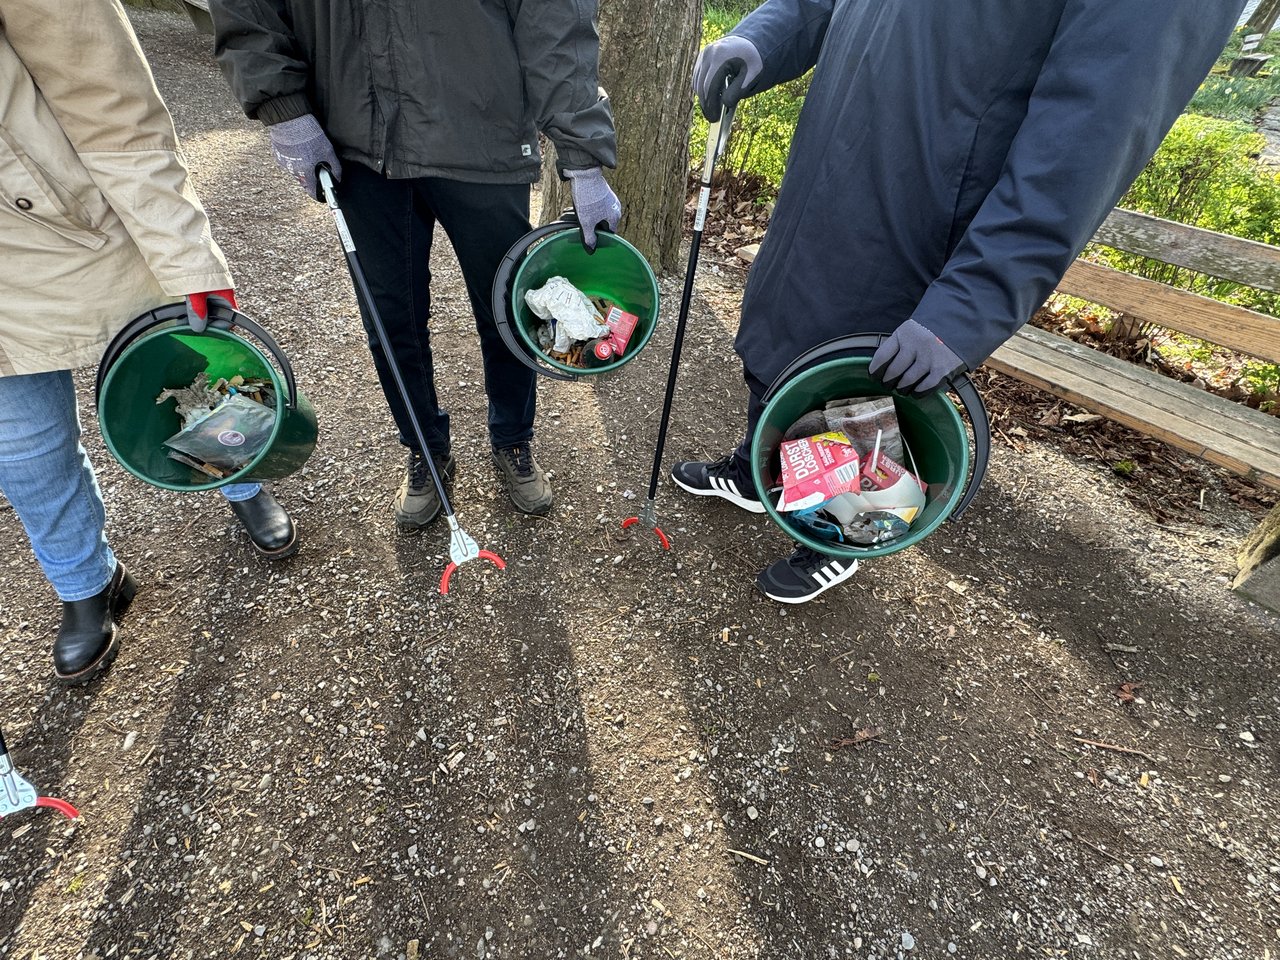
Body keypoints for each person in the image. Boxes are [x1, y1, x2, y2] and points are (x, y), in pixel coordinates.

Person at [674, 0, 1244, 604]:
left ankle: (843, 528)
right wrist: (767, 36)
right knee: (782, 334)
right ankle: (761, 467)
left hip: (925, 208)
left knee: (858, 385)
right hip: (831, 160)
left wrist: (968, 306)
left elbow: (1084, 141)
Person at [209, 1, 622, 528]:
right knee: (390, 321)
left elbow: (555, 20)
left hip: (481, 135)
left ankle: (514, 440)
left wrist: (582, 157)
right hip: (358, 141)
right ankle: (426, 450)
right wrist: (283, 108)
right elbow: (247, 10)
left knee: (512, 311)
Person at [0, 0, 298, 684]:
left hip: (66, 224)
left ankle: (242, 478)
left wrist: (187, 256)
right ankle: (87, 586)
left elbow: (108, 99)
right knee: (22, 450)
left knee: (185, 377)